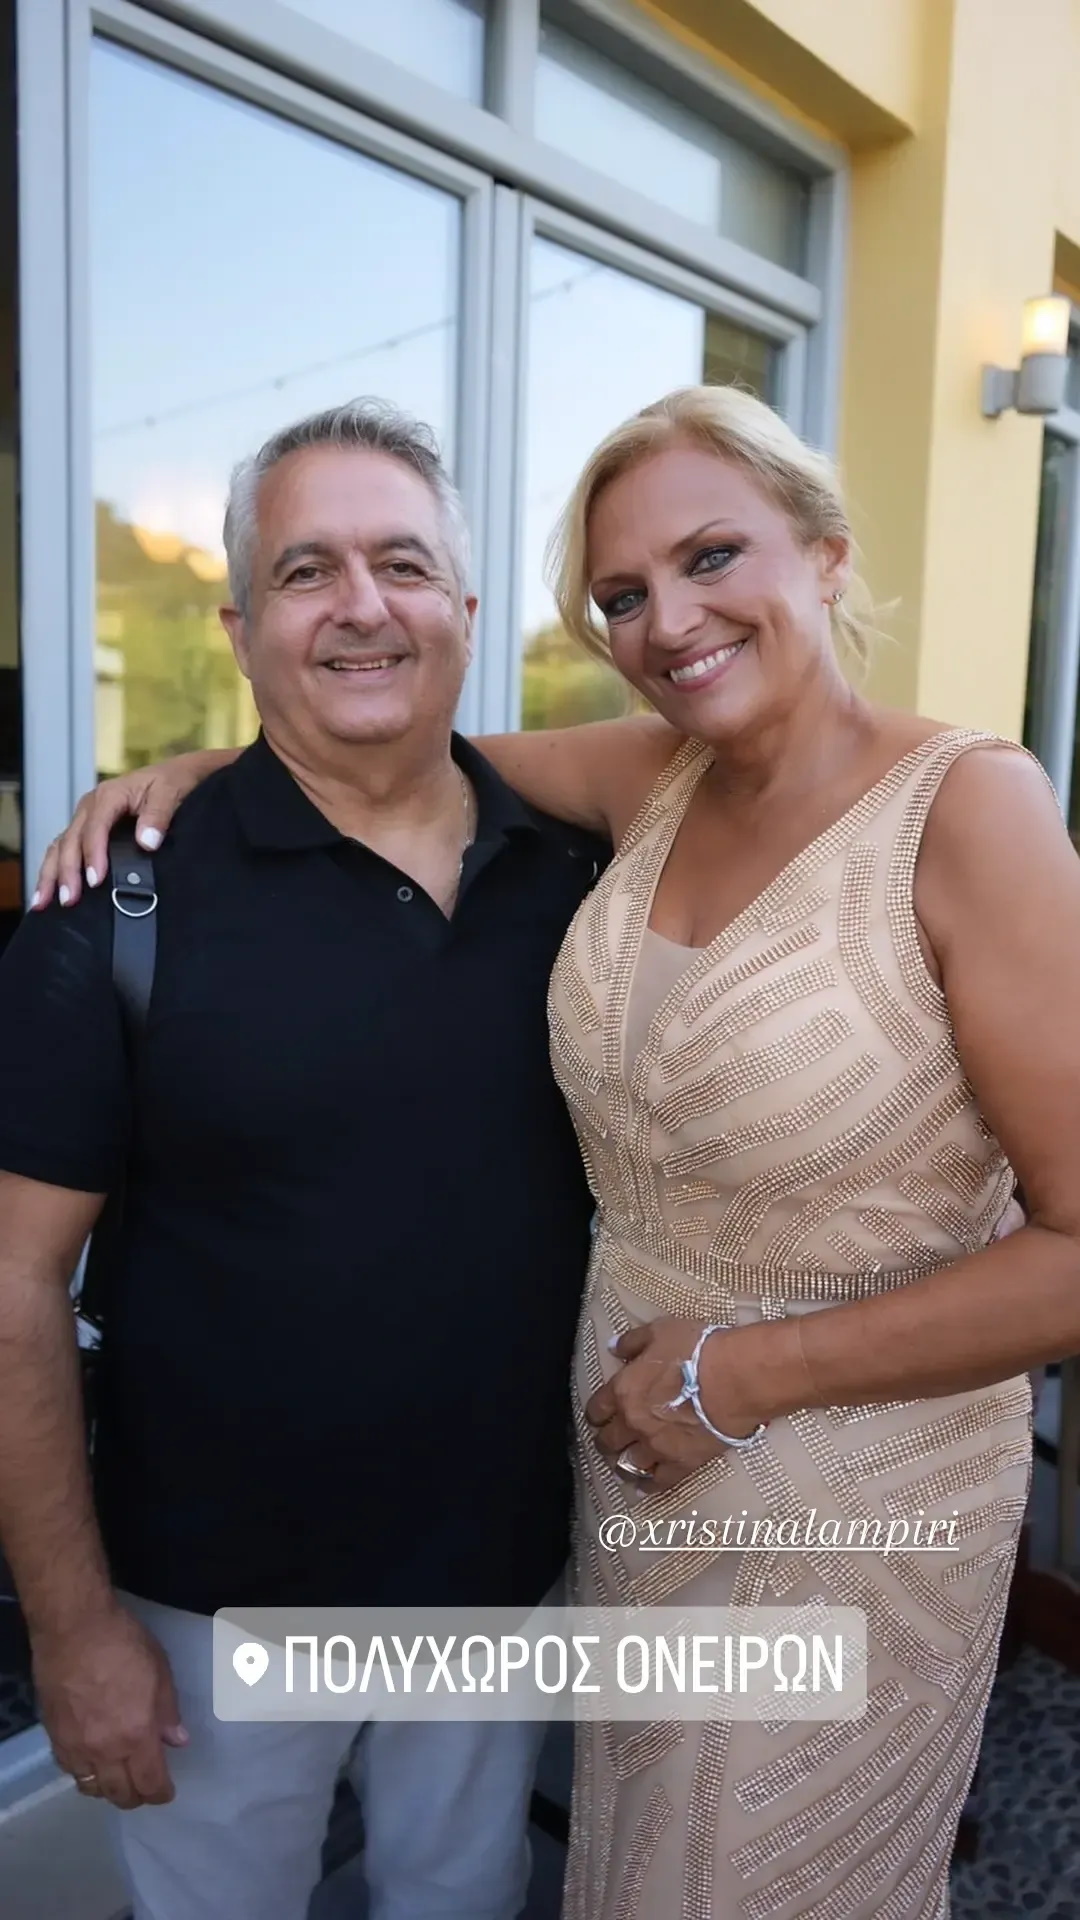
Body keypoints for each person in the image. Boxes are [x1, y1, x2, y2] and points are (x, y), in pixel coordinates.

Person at [37, 385, 1080, 1918]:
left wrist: (750, 1373)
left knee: (760, 1878)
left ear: (828, 552)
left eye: (713, 556)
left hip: (838, 1482)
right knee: (627, 1869)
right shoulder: (645, 785)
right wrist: (197, 776)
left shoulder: (962, 809)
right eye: (624, 596)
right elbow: (385, 736)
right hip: (589, 1487)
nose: (673, 620)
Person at [0, 399, 610, 1920]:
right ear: (240, 627)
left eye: (402, 565)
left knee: (463, 1896)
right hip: (217, 1601)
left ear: (466, 609)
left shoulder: (583, 878)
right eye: (305, 571)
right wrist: (71, 1631)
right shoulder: (118, 908)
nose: (361, 607)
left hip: (498, 1570)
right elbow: (14, 1289)